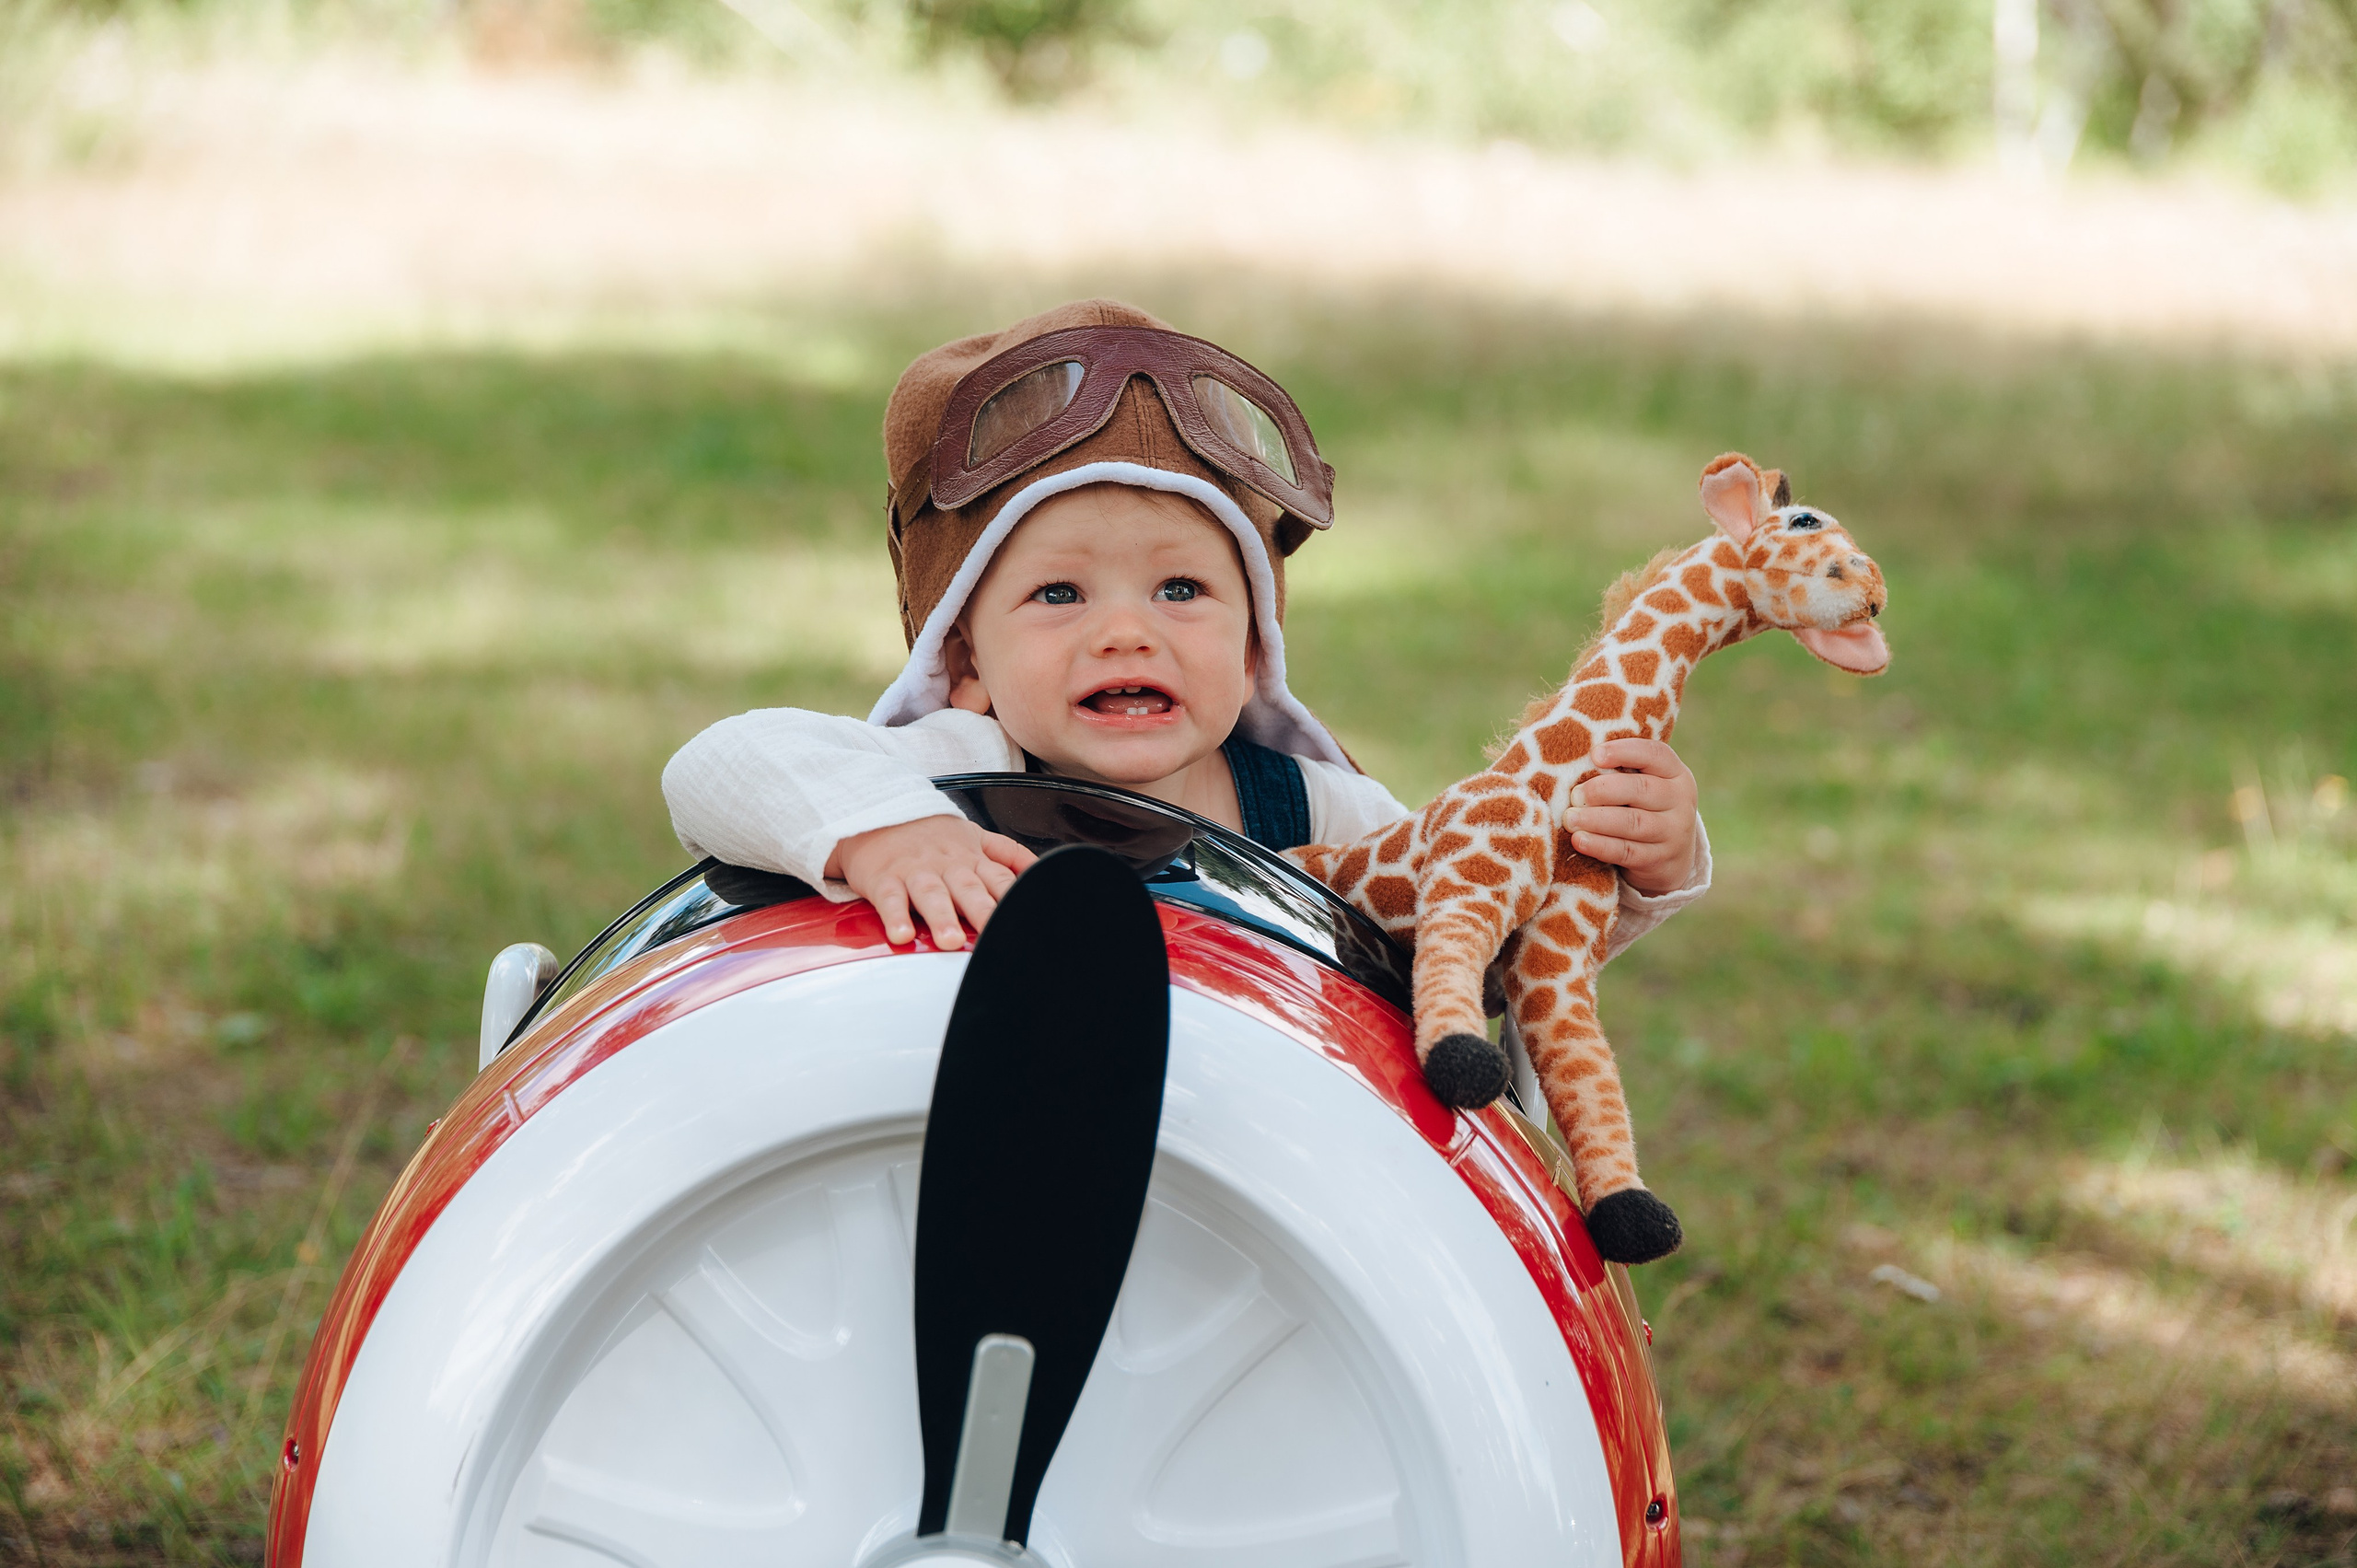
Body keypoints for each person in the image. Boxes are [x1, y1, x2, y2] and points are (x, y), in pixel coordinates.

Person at [663, 298, 1711, 956]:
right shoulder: (956, 769)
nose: (1125, 634)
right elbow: (719, 764)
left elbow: (1477, 935)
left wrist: (1636, 865)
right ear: (966, 660)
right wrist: (889, 830)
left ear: (1255, 649)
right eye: (1059, 595)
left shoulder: (1316, 814)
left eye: (1180, 592)